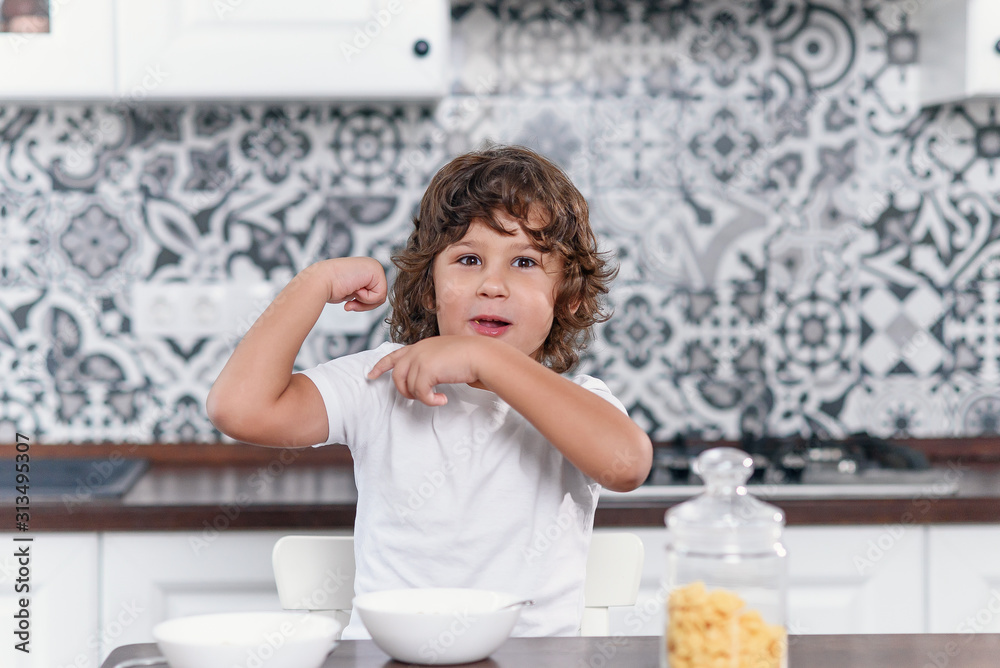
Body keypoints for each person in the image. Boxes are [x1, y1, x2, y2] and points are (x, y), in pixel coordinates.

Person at [207, 144, 652, 639]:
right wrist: (316, 282)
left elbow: (626, 466)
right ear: (429, 289)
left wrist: (485, 358)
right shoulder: (380, 382)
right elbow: (238, 408)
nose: (492, 284)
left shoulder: (578, 403)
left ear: (565, 297)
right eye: (468, 258)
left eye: (524, 263)